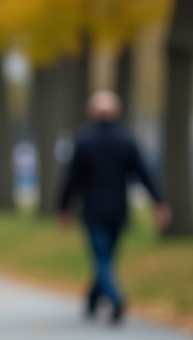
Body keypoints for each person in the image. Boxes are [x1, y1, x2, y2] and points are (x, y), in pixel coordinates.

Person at [59, 90, 170, 324]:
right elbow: (144, 174)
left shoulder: (84, 140)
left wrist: (64, 207)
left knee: (101, 257)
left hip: (94, 209)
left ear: (92, 113)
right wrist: (158, 203)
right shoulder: (126, 140)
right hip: (119, 209)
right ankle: (92, 300)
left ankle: (115, 299)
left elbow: (71, 179)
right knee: (106, 257)